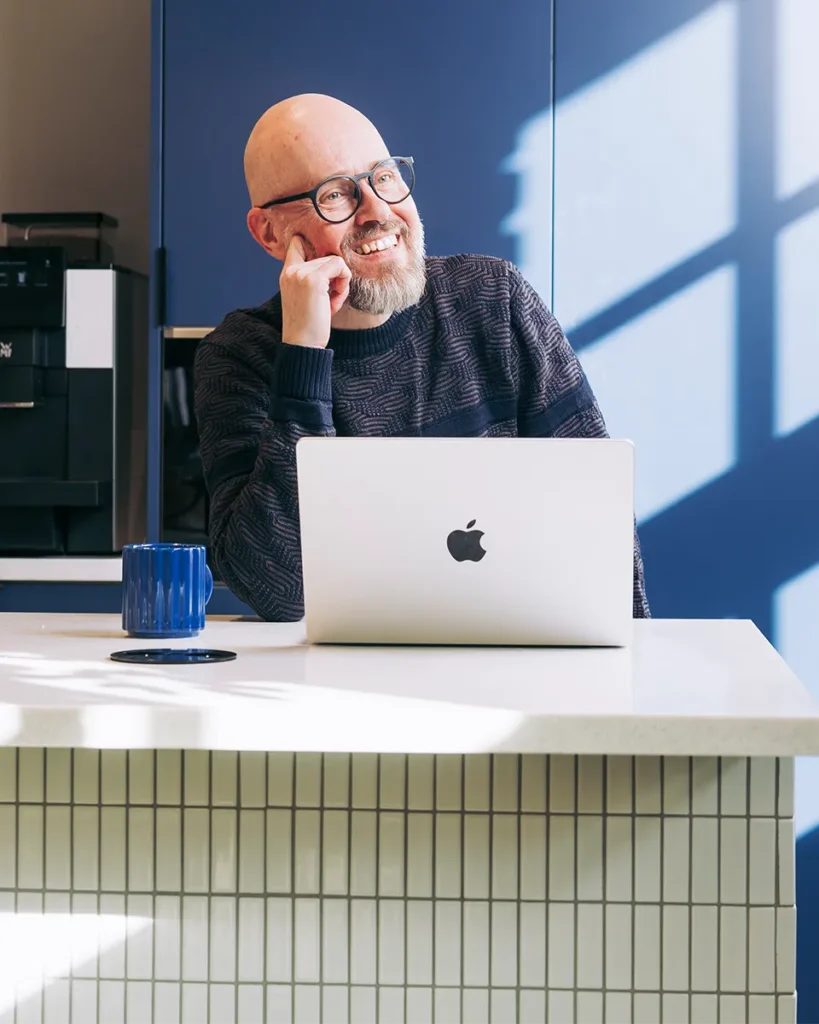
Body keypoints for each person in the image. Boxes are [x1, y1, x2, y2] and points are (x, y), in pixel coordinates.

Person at [193, 93, 650, 621]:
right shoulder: (240, 357)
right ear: (270, 233)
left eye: (384, 177)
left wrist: (626, 668)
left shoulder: (494, 300)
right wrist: (303, 356)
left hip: (523, 666)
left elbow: (602, 520)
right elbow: (277, 591)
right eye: (336, 195)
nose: (379, 212)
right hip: (340, 688)